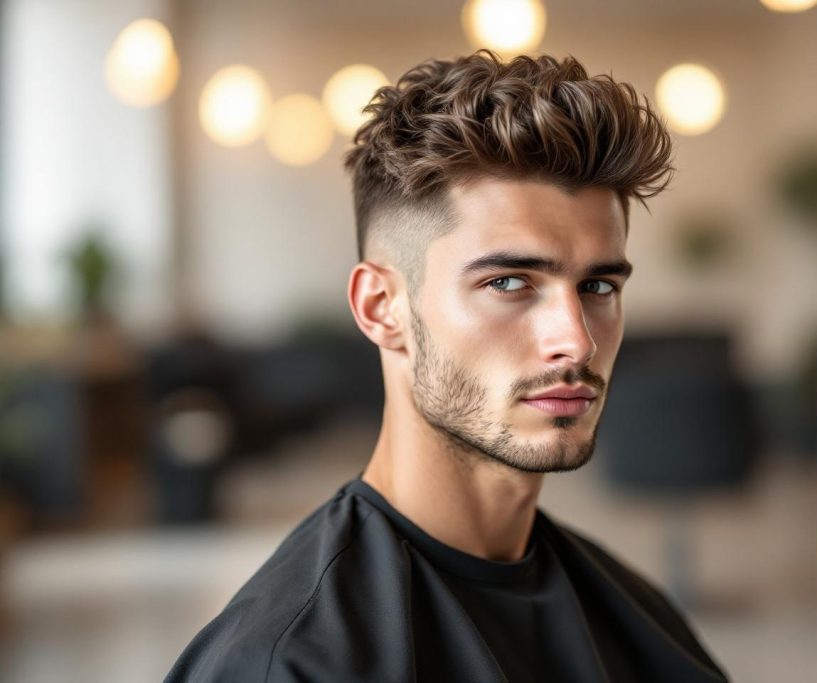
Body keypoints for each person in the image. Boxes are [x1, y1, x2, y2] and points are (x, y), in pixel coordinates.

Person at [166, 50, 728, 683]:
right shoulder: (288, 662)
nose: (576, 341)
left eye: (598, 287)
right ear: (382, 308)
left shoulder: (645, 623)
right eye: (509, 282)